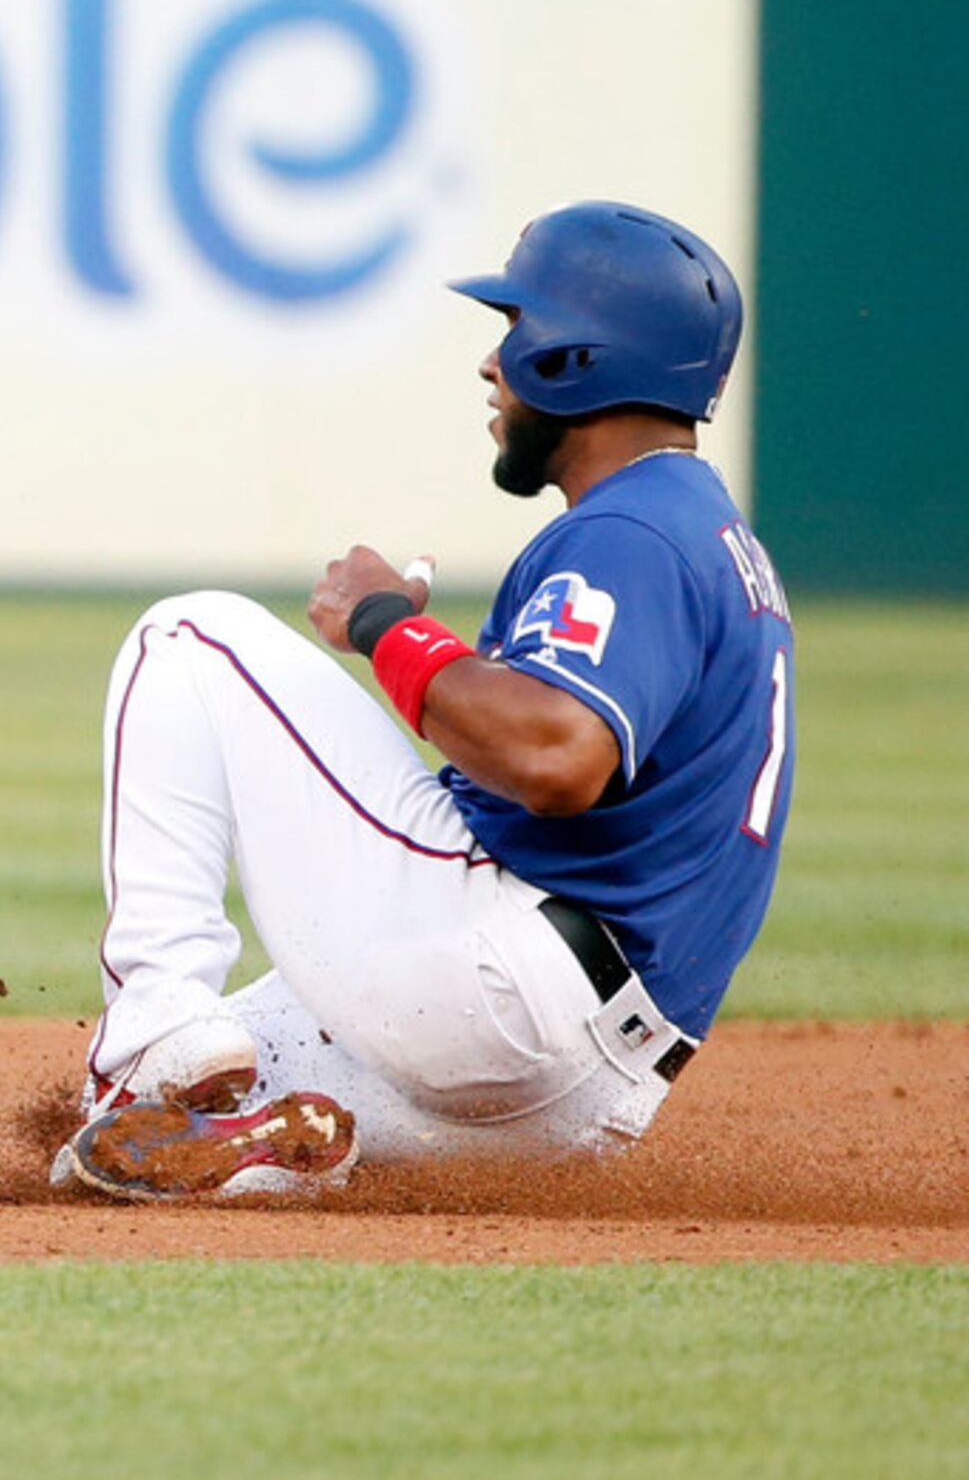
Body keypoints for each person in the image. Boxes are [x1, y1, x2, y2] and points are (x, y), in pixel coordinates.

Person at [52, 200, 796, 1200]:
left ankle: (151, 1021)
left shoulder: (635, 532)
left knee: (188, 637)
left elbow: (557, 759)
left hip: (498, 991)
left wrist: (382, 629)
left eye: (515, 331)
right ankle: (277, 1156)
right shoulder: (697, 533)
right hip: (581, 1087)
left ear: (577, 360)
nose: (494, 364)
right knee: (120, 1144)